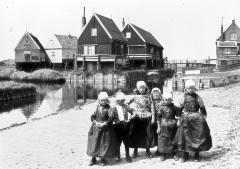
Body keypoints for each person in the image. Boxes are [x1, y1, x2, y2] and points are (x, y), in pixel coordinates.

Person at [173, 79, 212, 162]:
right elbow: (179, 108)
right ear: (186, 89)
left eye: (192, 88)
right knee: (184, 137)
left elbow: (202, 107)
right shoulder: (183, 97)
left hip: (196, 118)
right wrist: (179, 118)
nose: (190, 90)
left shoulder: (198, 97)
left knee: (197, 137)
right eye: (189, 88)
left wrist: (204, 117)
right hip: (186, 117)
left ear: (194, 88)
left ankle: (196, 154)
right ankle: (185, 155)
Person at [87, 92, 118, 166]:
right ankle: (93, 158)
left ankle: (102, 158)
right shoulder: (97, 107)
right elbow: (92, 116)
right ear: (99, 100)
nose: (103, 102)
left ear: (107, 100)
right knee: (94, 143)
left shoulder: (109, 108)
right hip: (96, 128)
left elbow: (111, 118)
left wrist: (105, 123)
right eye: (101, 100)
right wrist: (95, 122)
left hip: (105, 128)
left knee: (103, 144)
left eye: (105, 100)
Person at [127, 81, 155, 158]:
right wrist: (132, 111)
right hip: (137, 118)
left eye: (143, 87)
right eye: (140, 88)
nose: (141, 89)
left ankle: (148, 151)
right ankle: (135, 151)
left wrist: (153, 118)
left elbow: (152, 107)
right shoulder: (135, 97)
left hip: (147, 117)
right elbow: (126, 104)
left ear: (145, 87)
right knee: (136, 134)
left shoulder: (149, 96)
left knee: (147, 134)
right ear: (137, 88)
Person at [156, 92, 181, 161]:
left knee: (173, 139)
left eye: (169, 99)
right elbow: (158, 118)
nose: (167, 101)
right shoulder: (161, 107)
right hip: (163, 125)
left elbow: (178, 115)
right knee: (163, 140)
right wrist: (158, 127)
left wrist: (178, 122)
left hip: (173, 125)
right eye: (166, 99)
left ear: (171, 100)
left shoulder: (174, 107)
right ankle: (163, 154)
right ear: (163, 99)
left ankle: (174, 153)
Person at [112, 91, 134, 163]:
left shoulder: (126, 106)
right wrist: (113, 121)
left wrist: (131, 117)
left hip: (125, 126)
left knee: (126, 142)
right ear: (117, 101)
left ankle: (127, 156)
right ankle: (118, 156)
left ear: (124, 100)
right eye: (119, 100)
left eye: (122, 100)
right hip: (117, 127)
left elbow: (133, 112)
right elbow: (111, 117)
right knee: (118, 142)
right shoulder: (114, 108)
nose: (121, 102)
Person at [150, 87, 163, 155]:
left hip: (162, 119)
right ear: (152, 95)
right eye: (154, 93)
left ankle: (161, 149)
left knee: (161, 134)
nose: (156, 94)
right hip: (154, 120)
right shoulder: (151, 102)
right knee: (156, 134)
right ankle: (158, 148)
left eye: (157, 93)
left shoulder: (163, 101)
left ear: (160, 94)